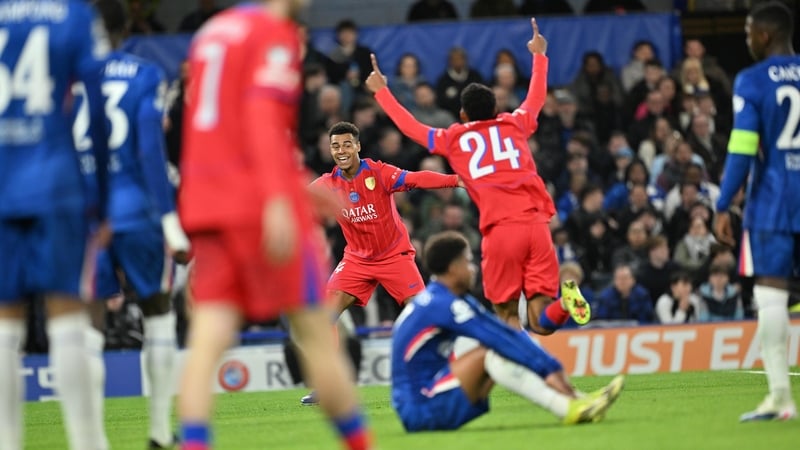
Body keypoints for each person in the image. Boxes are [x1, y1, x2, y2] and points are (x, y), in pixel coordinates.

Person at [178, 1, 373, 449]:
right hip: (259, 202)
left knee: (207, 341)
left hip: (207, 200)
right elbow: (263, 123)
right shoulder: (274, 33)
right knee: (316, 333)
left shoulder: (212, 32)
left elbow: (199, 123)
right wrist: (285, 199)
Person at [366, 19, 591, 336]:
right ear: (497, 109)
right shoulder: (515, 124)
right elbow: (537, 98)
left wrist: (382, 93)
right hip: (537, 225)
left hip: (501, 230)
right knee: (542, 319)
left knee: (507, 315)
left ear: (462, 115)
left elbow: (412, 129)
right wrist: (540, 56)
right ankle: (565, 305)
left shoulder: (454, 137)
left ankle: (518, 373)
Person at [74, 1, 190, 448]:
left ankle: (92, 439)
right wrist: (169, 218)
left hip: (84, 214)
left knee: (88, 323)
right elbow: (149, 153)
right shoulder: (143, 74)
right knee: (158, 313)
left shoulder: (68, 76)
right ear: (126, 30)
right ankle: (160, 433)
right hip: (136, 210)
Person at [0, 1, 112, 449]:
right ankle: (88, 443)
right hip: (55, 183)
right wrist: (100, 197)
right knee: (68, 316)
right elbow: (96, 110)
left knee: (6, 323)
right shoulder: (75, 14)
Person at [391, 231, 625, 431]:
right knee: (493, 351)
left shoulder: (441, 299)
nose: (473, 269)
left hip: (420, 401)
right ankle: (569, 406)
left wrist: (549, 369)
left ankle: (577, 400)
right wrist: (550, 370)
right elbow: (499, 337)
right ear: (453, 268)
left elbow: (503, 332)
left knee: (500, 346)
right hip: (420, 408)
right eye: (468, 262)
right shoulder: (442, 304)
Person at [301, 121, 459, 405]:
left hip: (393, 256)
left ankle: (450, 370)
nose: (341, 150)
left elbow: (416, 179)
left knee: (425, 314)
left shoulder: (379, 173)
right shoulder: (326, 185)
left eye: (347, 144)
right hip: (356, 260)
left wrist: (455, 180)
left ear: (358, 146)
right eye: (335, 146)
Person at [713, 1, 799, 422]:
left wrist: (723, 202)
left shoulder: (752, 80)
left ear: (764, 35)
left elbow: (743, 148)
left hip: (775, 203)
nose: (746, 38)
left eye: (748, 30)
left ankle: (781, 398)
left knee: (771, 294)